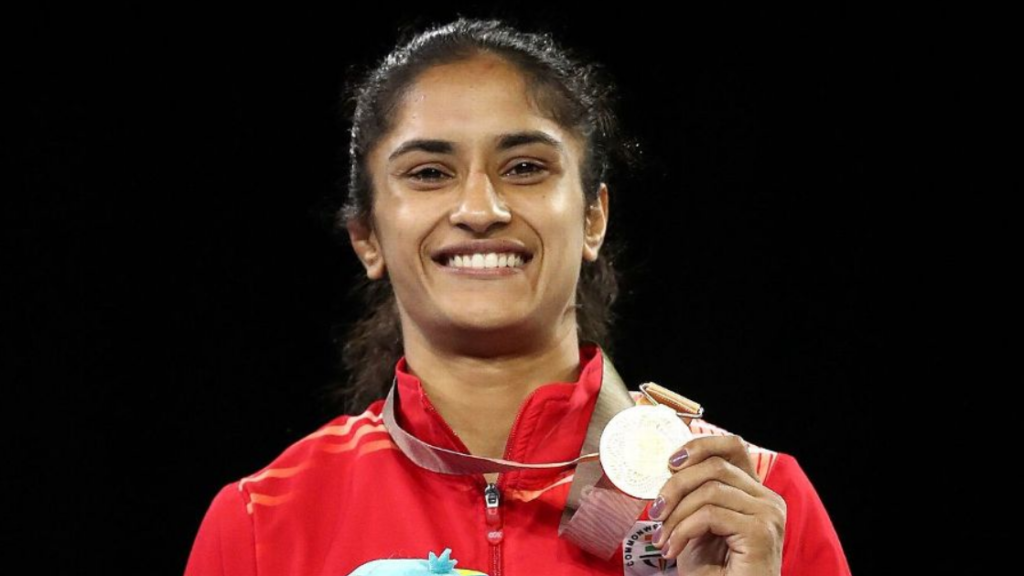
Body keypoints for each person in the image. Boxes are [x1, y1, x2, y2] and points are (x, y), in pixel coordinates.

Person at [184, 17, 852, 576]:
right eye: (429, 173)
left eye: (525, 168)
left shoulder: (752, 502)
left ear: (593, 217)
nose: (480, 207)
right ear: (368, 239)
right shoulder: (261, 526)